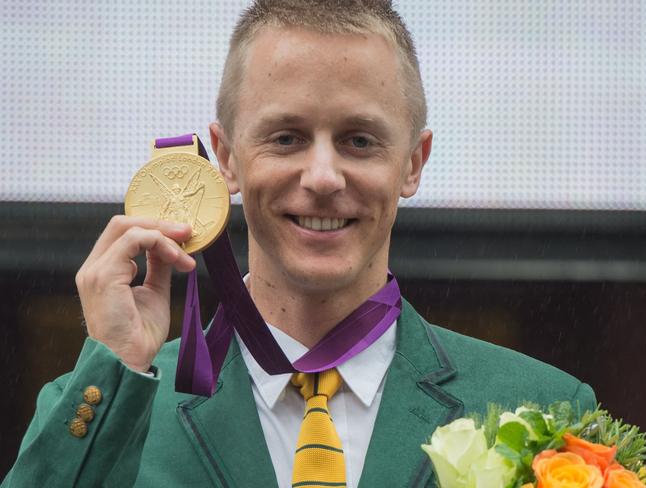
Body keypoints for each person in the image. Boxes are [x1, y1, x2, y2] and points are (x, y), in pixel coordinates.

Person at [3, 1, 595, 487]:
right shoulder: (104, 404)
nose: (322, 177)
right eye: (286, 138)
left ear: (413, 163)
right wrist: (117, 367)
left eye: (359, 141)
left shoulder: (544, 412)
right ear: (227, 158)